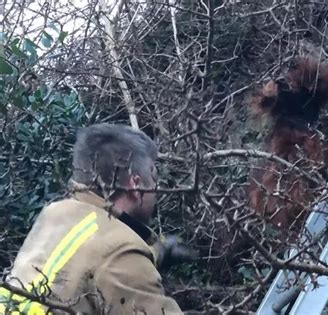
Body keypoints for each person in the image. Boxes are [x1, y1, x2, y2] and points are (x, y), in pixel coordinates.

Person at [0, 123, 191, 314]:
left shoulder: (55, 213)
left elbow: (91, 257)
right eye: (154, 179)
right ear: (135, 185)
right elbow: (114, 260)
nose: (156, 189)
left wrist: (157, 252)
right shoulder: (123, 254)